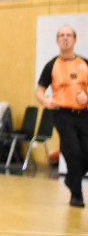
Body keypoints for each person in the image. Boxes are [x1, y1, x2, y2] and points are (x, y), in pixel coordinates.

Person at [36, 25, 88, 208]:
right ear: (58, 40)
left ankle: (71, 180)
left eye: (69, 35)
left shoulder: (84, 63)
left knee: (85, 152)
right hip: (61, 113)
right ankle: (77, 195)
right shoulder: (52, 65)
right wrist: (45, 101)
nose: (65, 38)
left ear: (74, 39)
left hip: (83, 113)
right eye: (62, 35)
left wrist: (86, 97)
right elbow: (39, 91)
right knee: (73, 150)